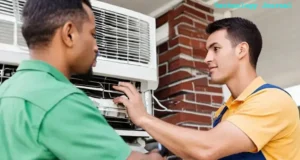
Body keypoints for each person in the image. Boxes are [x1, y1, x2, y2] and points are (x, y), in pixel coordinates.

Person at [113, 17, 300, 160]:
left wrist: (143, 118)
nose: (207, 58)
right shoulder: (226, 111)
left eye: (215, 49)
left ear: (241, 50)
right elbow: (200, 154)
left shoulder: (272, 100)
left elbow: (207, 148)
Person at [0, 0, 164, 159]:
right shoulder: (61, 100)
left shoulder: (6, 91)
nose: (96, 47)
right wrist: (154, 156)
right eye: (93, 34)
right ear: (69, 34)